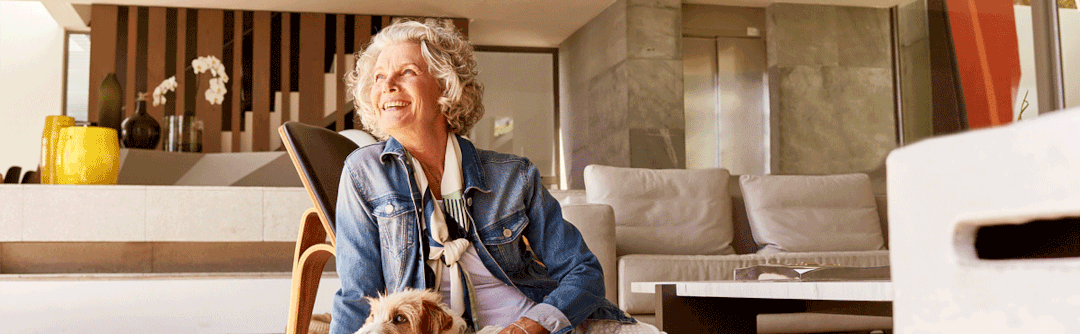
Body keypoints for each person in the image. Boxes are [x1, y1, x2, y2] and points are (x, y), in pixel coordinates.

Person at [333, 20, 660, 334]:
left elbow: (583, 271)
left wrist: (530, 327)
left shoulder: (513, 175)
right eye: (379, 76)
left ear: (446, 85)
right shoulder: (364, 172)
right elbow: (358, 297)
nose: (387, 85)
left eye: (407, 72)